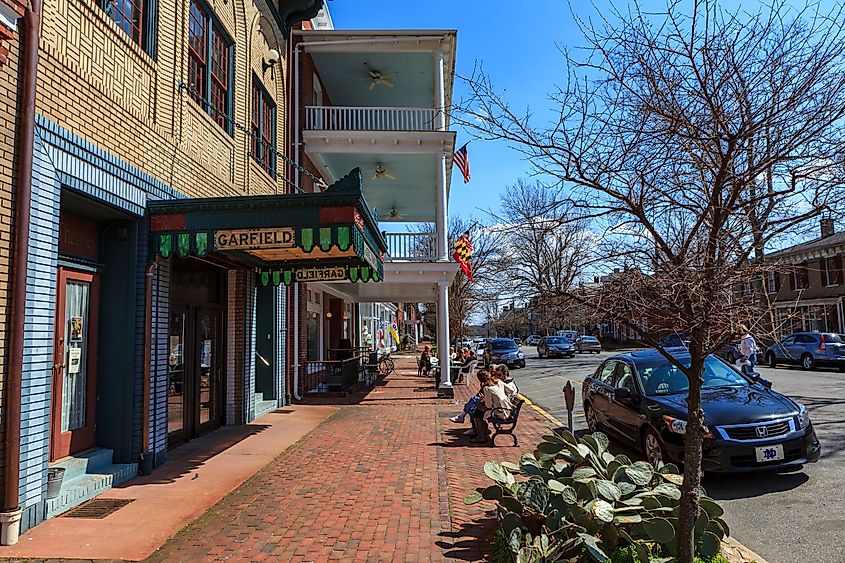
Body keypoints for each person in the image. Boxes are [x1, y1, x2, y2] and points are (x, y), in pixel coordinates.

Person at [469, 370, 513, 444]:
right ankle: (483, 433)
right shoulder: (498, 381)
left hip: (500, 411)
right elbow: (511, 390)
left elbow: (488, 405)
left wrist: (483, 398)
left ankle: (481, 436)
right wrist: (502, 395)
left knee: (477, 414)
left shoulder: (487, 388)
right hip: (507, 408)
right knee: (478, 411)